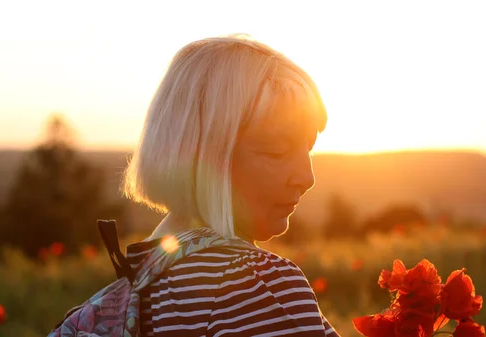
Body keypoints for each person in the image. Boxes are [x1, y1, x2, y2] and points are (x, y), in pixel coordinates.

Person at [121, 34, 339, 337]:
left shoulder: (126, 292)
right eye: (277, 149)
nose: (307, 177)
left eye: (308, 149)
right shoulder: (259, 284)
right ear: (206, 155)